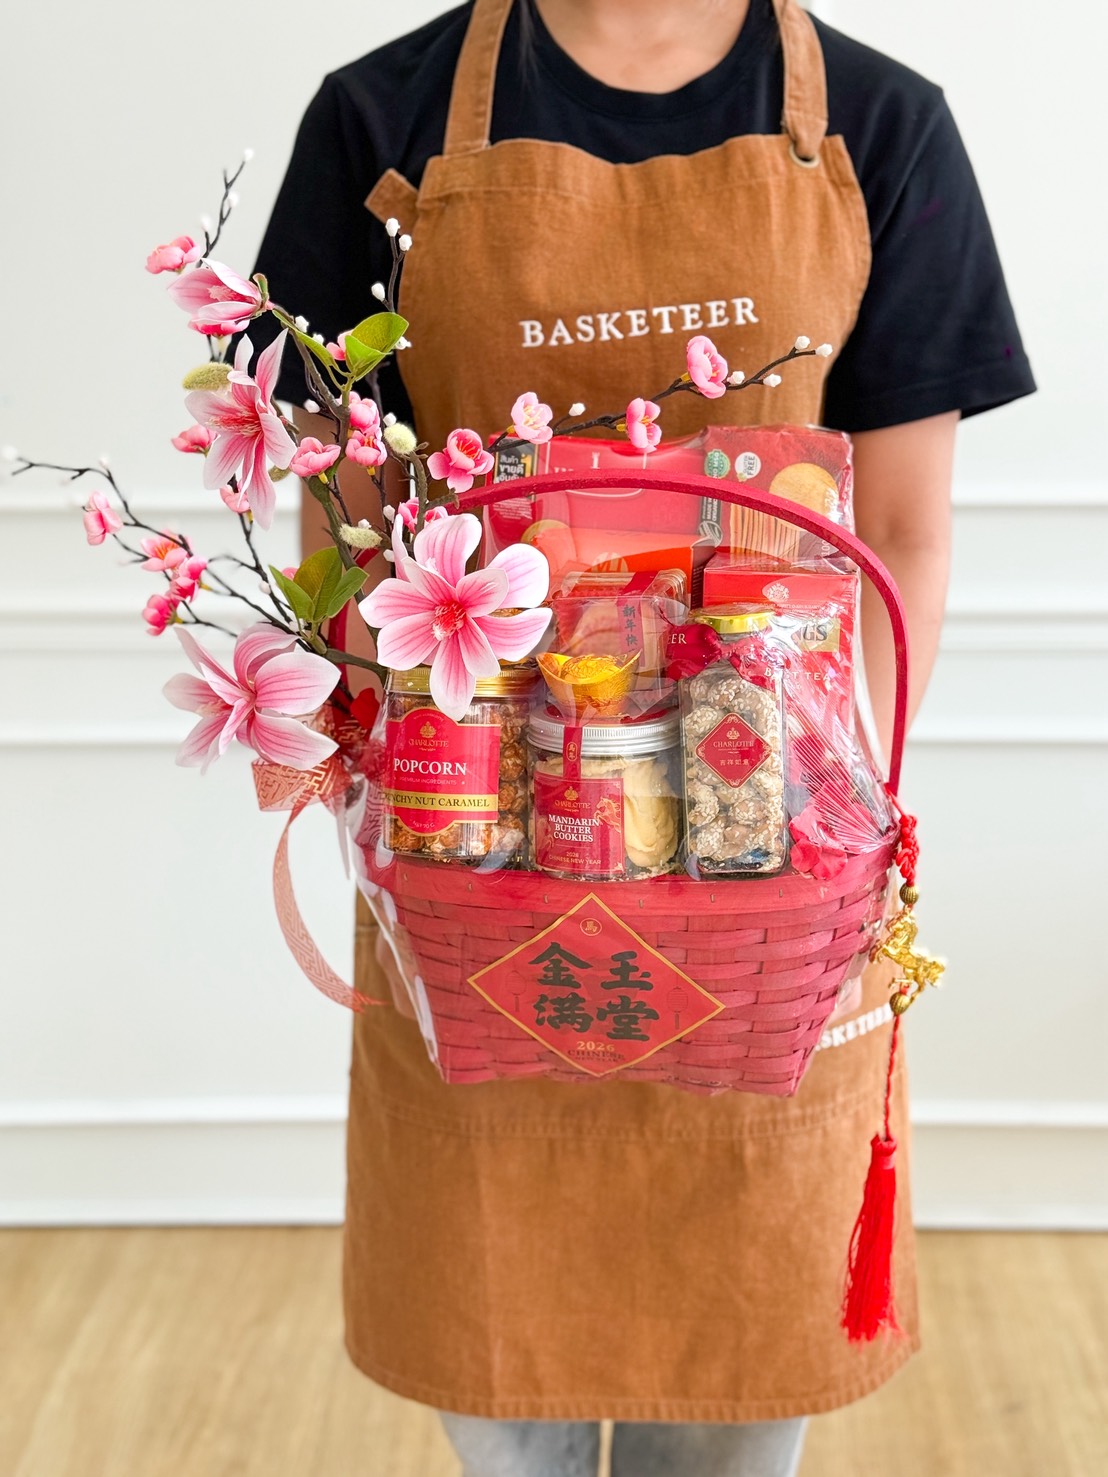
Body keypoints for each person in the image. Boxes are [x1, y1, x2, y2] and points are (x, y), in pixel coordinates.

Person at [248, 2, 1034, 1472]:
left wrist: (829, 816)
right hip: (476, 878)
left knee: (738, 1419)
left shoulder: (882, 128)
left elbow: (907, 534)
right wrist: (352, 770)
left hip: (768, 897)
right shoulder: (380, 121)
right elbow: (343, 534)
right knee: (505, 1403)